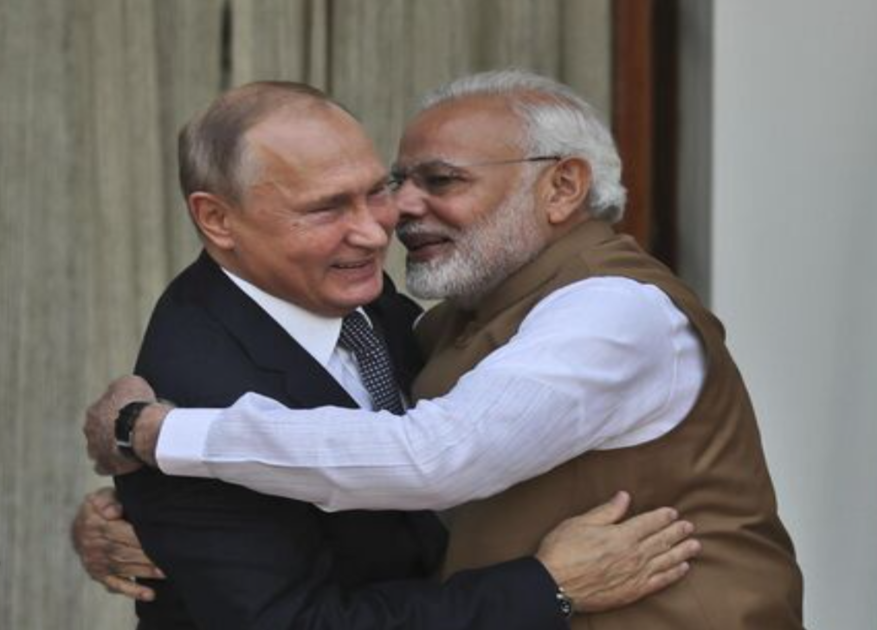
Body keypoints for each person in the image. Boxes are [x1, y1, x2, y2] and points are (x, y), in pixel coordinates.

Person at [84, 69, 805, 628]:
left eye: (438, 181)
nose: (388, 220)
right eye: (397, 183)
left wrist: (155, 434)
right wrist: (150, 514)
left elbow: (432, 457)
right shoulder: (439, 311)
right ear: (218, 220)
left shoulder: (609, 312)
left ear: (562, 186)